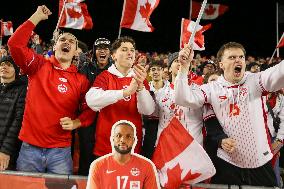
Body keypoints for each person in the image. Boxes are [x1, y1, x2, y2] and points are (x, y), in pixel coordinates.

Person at [175, 42, 282, 186]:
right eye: (232, 57)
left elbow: (280, 72)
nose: (238, 60)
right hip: (227, 162)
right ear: (221, 64)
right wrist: (184, 67)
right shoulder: (211, 88)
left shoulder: (256, 81)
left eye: (241, 57)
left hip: (260, 161)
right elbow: (183, 98)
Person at [7, 5, 95, 174]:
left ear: (76, 51)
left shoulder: (81, 81)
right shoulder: (38, 65)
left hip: (60, 152)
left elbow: (90, 109)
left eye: (71, 41)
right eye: (63, 40)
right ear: (55, 46)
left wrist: (77, 122)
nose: (67, 42)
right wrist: (36, 17)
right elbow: (15, 44)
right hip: (29, 149)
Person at [86, 36, 155, 158]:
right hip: (106, 147)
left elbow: (148, 110)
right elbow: (91, 100)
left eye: (132, 50)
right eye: (124, 49)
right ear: (113, 56)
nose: (130, 53)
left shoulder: (140, 78)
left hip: (132, 148)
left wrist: (140, 88)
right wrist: (124, 93)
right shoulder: (105, 76)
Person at [86, 120, 160, 189]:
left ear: (133, 141)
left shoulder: (147, 166)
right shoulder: (98, 166)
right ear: (113, 139)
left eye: (128, 136)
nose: (123, 140)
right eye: (118, 135)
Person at [0, 56, 27, 171]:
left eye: (8, 65)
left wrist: (6, 150)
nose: (4, 67)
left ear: (16, 70)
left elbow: (18, 121)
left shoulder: (22, 90)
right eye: (1, 64)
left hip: (6, 152)